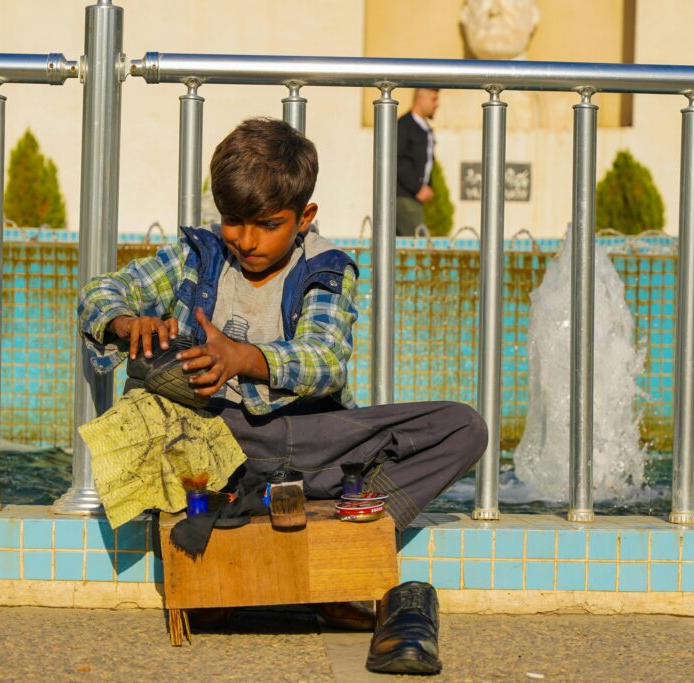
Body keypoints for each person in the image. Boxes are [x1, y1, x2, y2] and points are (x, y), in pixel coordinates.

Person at [78, 117, 486, 674]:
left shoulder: (325, 269)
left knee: (462, 427)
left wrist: (243, 359)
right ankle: (243, 541)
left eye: (266, 225)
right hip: (220, 442)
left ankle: (343, 532)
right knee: (156, 412)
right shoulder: (197, 256)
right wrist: (127, 324)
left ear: (304, 218)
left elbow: (324, 360)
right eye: (233, 223)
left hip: (308, 439)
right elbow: (103, 290)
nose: (246, 241)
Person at [396, 88, 440, 237]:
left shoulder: (424, 127)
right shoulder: (404, 125)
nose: (437, 104)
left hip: (412, 199)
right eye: (433, 99)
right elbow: (396, 160)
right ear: (420, 99)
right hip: (403, 198)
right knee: (421, 247)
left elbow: (427, 161)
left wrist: (429, 186)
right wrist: (418, 188)